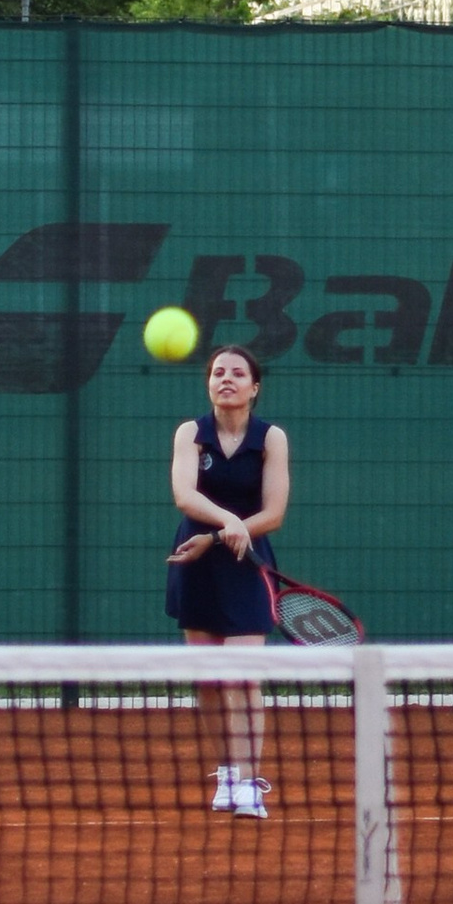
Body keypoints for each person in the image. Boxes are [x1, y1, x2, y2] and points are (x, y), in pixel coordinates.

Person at [167, 341, 291, 816]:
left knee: (242, 676)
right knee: (209, 680)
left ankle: (249, 782)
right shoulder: (191, 434)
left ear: (254, 387)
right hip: (194, 560)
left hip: (247, 564)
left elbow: (274, 513)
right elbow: (184, 496)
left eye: (238, 373)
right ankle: (225, 773)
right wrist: (228, 521)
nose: (226, 380)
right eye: (218, 373)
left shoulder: (271, 438)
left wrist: (225, 534)